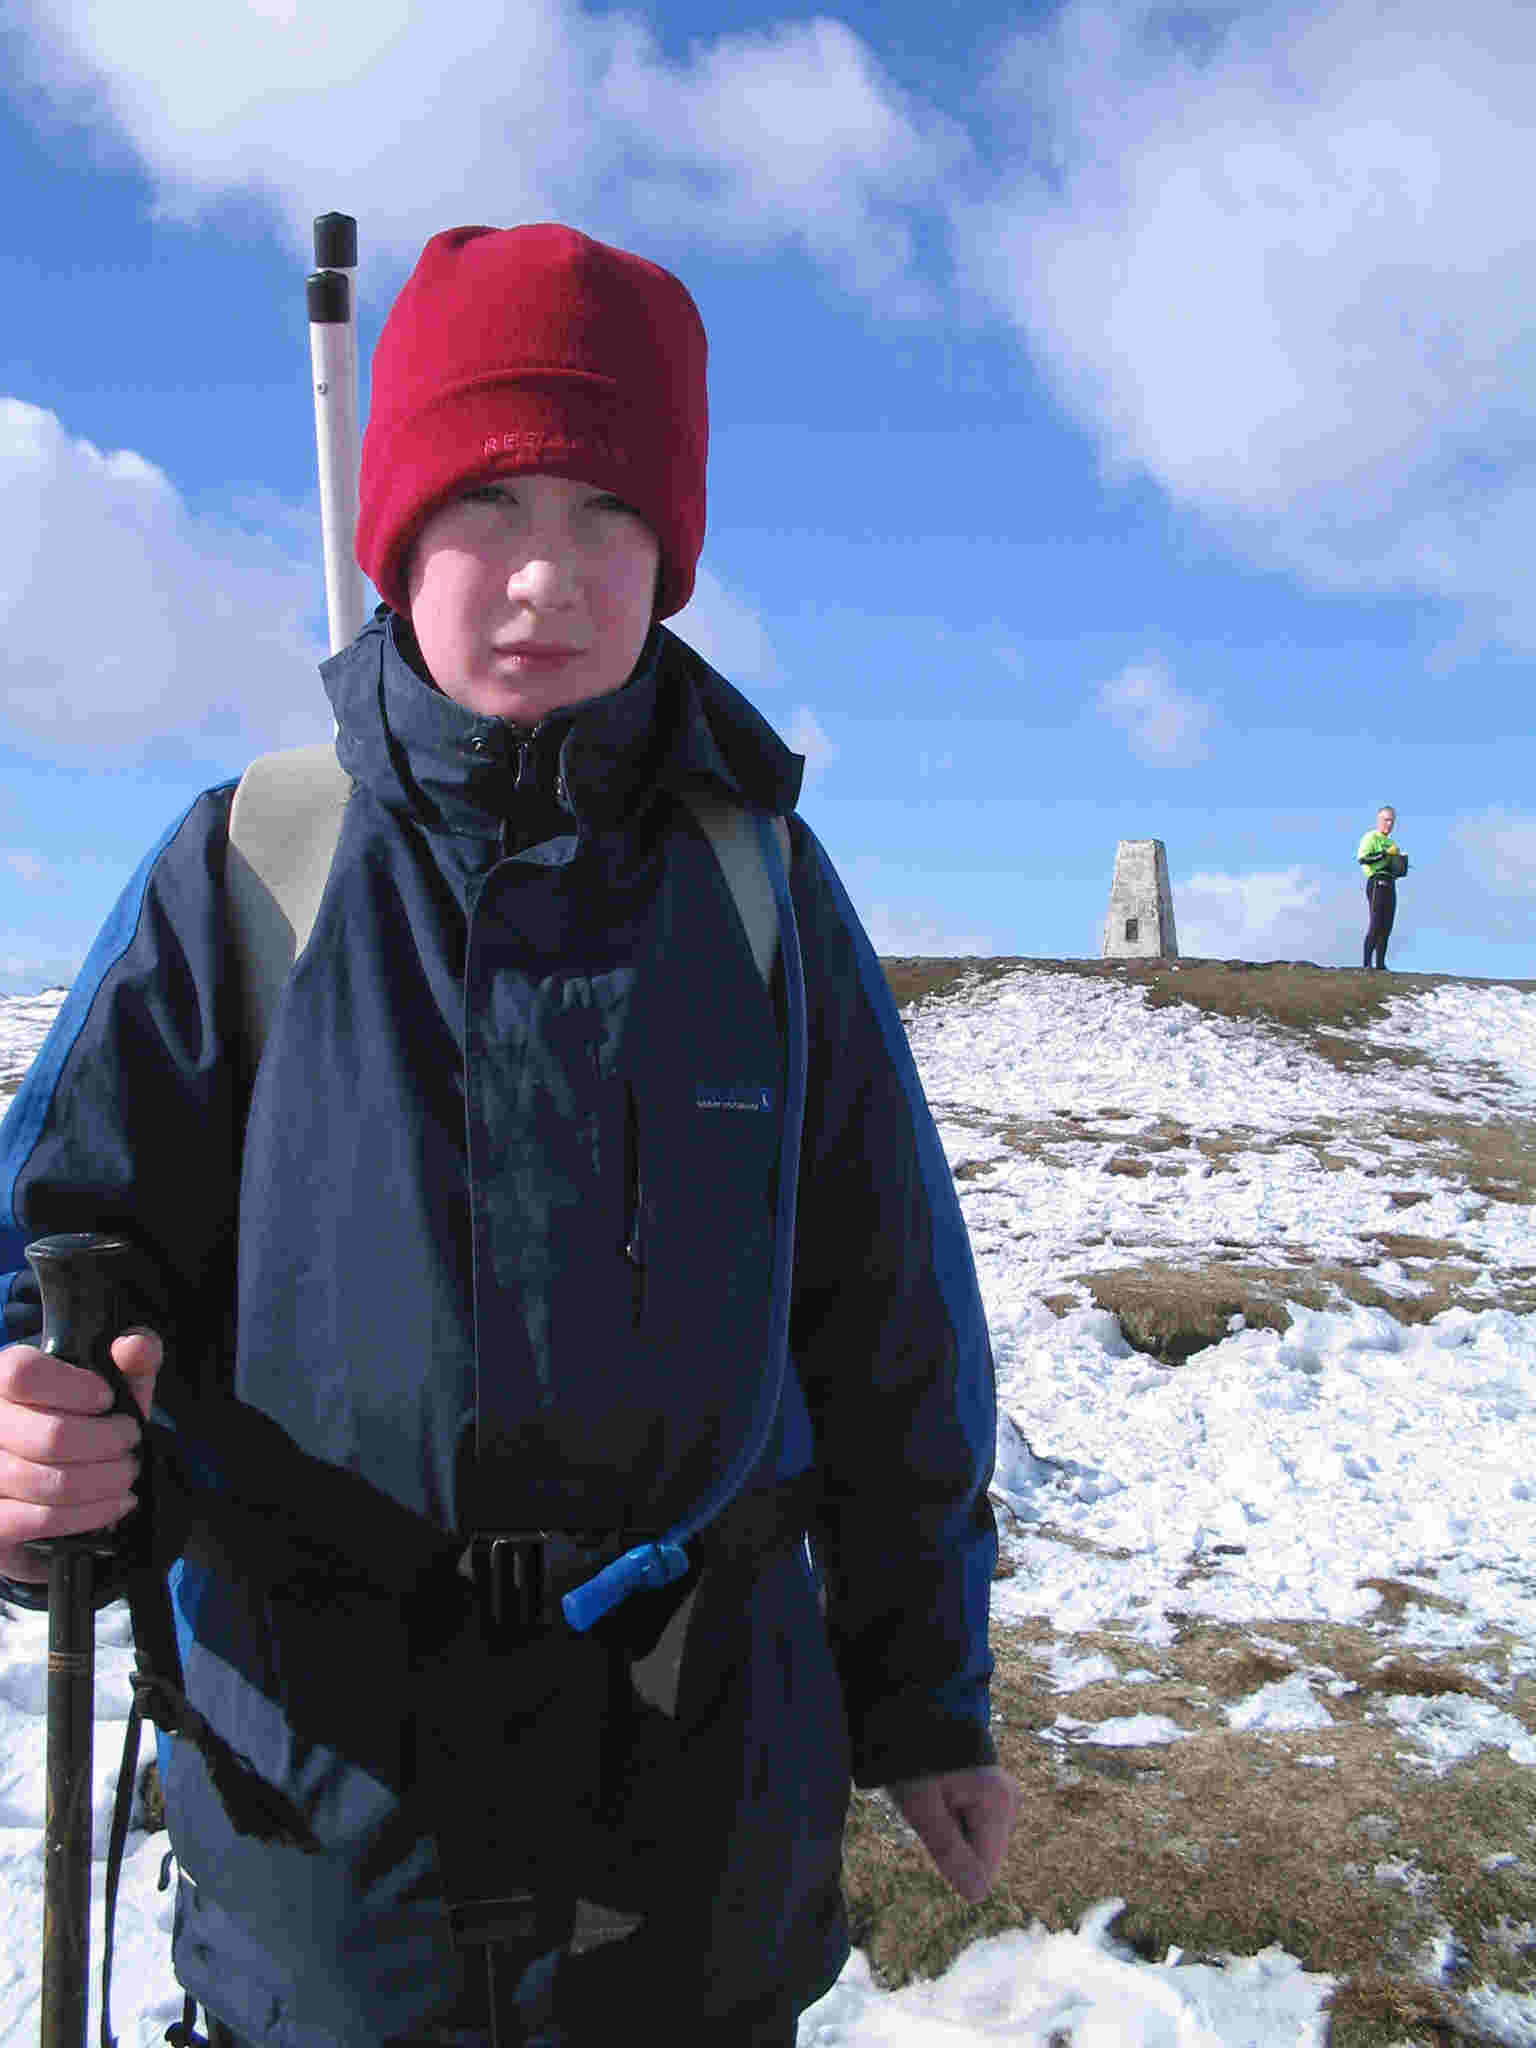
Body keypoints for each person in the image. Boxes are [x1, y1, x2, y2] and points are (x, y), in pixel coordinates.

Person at [0, 224, 1015, 2048]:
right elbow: (53, 1246)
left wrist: (927, 1695)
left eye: (608, 512)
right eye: (491, 503)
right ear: (394, 539)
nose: (548, 571)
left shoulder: (761, 883)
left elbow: (887, 1317)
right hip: (328, 1805)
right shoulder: (250, 865)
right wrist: (25, 1434)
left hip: (697, 1788)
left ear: (673, 558)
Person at [1356, 803, 1406, 970]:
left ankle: (1381, 965)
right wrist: (1385, 854)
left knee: (1387, 925)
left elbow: (1396, 869)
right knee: (1376, 923)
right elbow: (1363, 859)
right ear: (1379, 820)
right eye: (1386, 820)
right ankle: (1366, 964)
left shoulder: (1392, 842)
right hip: (1376, 881)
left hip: (1390, 882)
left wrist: (1401, 863)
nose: (1389, 824)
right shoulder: (1371, 837)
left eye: (1392, 821)